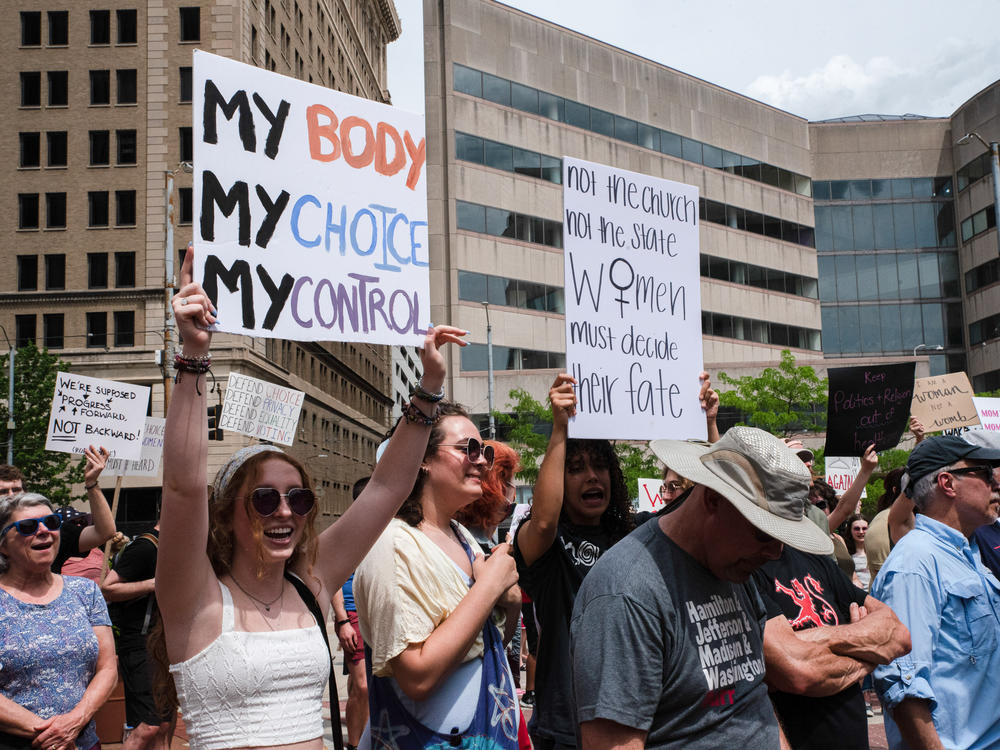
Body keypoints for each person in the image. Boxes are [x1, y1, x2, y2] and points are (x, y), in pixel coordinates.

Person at [154, 247, 466, 750]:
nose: (285, 511)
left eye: (298, 500)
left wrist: (428, 387)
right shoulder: (195, 598)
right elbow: (183, 485)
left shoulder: (310, 587)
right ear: (226, 515)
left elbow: (387, 488)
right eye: (263, 499)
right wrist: (192, 356)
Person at [569, 427, 899, 748]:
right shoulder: (625, 594)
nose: (776, 553)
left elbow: (752, 697)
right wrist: (865, 650)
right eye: (763, 533)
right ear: (713, 499)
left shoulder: (732, 568)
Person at [353, 402, 521, 749]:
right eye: (467, 449)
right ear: (423, 459)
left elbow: (485, 645)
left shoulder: (461, 535)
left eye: (485, 450)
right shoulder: (393, 544)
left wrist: (511, 599)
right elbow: (418, 676)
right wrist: (489, 587)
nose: (482, 460)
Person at [511, 373, 634, 750]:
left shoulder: (636, 536)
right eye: (576, 467)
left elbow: (705, 510)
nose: (592, 476)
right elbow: (545, 520)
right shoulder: (545, 546)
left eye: (599, 466)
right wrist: (559, 428)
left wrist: (708, 423)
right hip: (566, 727)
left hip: (632, 721)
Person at [872, 434, 1000, 749]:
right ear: (947, 483)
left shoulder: (966, 553)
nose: (995, 482)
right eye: (984, 472)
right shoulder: (915, 563)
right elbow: (903, 687)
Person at [753, 539, 910, 749]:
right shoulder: (746, 571)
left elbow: (899, 635)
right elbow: (798, 674)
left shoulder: (814, 559)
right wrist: (868, 651)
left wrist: (804, 642)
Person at [0, 492, 118, 749]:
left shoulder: (85, 591)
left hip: (82, 741)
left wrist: (75, 722)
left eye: (52, 522)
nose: (44, 531)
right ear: (3, 545)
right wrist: (52, 735)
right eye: (28, 527)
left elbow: (107, 668)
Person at [102, 523, 173, 750]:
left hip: (164, 645)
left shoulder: (175, 547)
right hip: (140, 644)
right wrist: (153, 584)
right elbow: (108, 588)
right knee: (148, 725)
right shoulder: (146, 546)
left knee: (163, 724)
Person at [331, 477, 373, 750]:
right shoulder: (346, 532)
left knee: (362, 687)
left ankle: (358, 737)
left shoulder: (385, 529)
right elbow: (331, 578)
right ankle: (356, 745)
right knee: (363, 686)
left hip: (375, 613)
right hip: (352, 613)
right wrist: (342, 620)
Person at [845, 514, 870, 589]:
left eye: (864, 528)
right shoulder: (845, 553)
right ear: (850, 530)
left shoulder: (875, 551)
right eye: (857, 529)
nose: (861, 532)